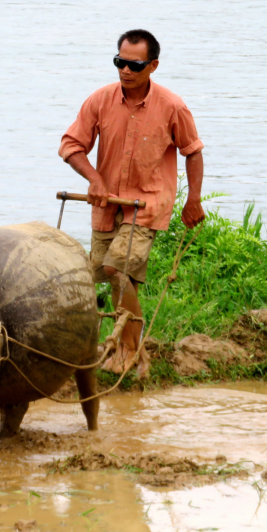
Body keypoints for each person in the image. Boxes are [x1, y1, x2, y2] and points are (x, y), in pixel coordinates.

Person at [59, 29, 206, 378]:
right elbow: (70, 146)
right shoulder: (100, 100)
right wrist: (94, 179)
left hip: (148, 203)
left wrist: (194, 199)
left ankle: (131, 351)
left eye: (134, 65)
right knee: (107, 276)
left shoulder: (172, 106)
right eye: (119, 62)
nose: (125, 71)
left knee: (117, 270)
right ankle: (125, 347)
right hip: (107, 204)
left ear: (152, 66)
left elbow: (193, 152)